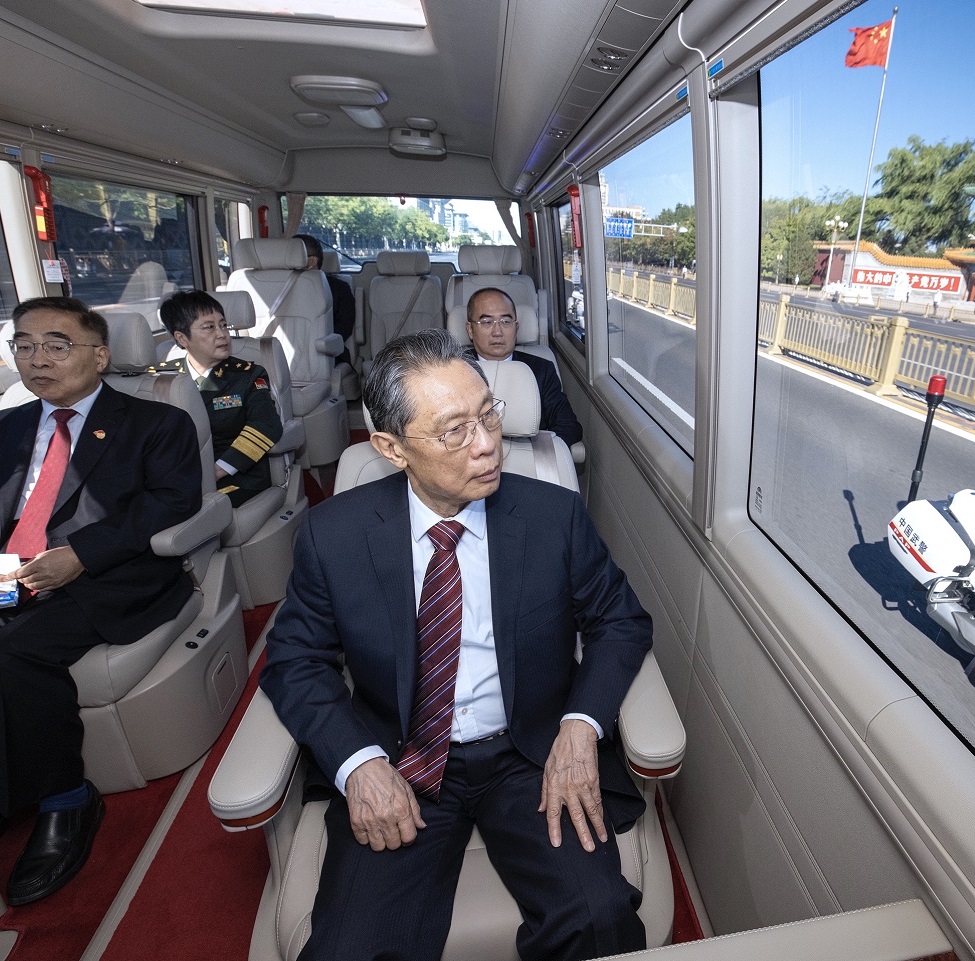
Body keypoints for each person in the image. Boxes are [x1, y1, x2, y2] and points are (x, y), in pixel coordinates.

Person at [261, 329, 650, 961]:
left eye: (488, 415)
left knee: (598, 917)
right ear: (391, 448)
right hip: (401, 760)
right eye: (454, 431)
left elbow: (621, 622)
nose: (488, 443)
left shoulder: (553, 516)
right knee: (349, 949)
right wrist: (357, 762)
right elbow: (294, 659)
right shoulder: (335, 534)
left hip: (529, 754)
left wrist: (581, 727)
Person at [0, 297, 201, 927]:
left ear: (100, 356)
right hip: (1, 583)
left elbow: (168, 502)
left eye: (56, 345)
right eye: (24, 346)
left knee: (8, 658)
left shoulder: (157, 422)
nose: (37, 358)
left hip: (100, 580)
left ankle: (65, 800)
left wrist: (80, 555)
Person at [156, 290, 284, 507]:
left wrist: (215, 471)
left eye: (223, 325)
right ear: (182, 338)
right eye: (209, 327)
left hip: (235, 478)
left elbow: (266, 425)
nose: (222, 334)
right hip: (177, 480)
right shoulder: (163, 380)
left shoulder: (248, 375)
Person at [465, 287, 583, 448]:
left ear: (516, 327)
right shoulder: (454, 370)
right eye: (486, 322)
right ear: (470, 330)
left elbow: (569, 427)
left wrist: (529, 453)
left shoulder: (541, 369)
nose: (497, 332)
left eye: (506, 322)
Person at [294, 233, 355, 366]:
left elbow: (344, 329)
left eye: (293, 256)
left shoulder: (339, 289)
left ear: (312, 261)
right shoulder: (280, 289)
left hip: (327, 355)